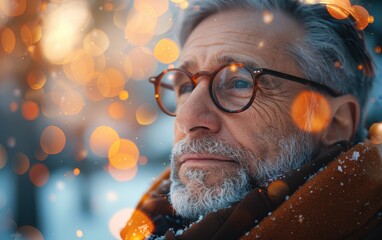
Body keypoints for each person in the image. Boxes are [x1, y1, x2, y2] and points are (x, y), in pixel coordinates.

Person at [121, 0, 382, 239]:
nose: (187, 118)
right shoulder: (149, 226)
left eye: (239, 82)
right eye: (185, 87)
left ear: (335, 122)